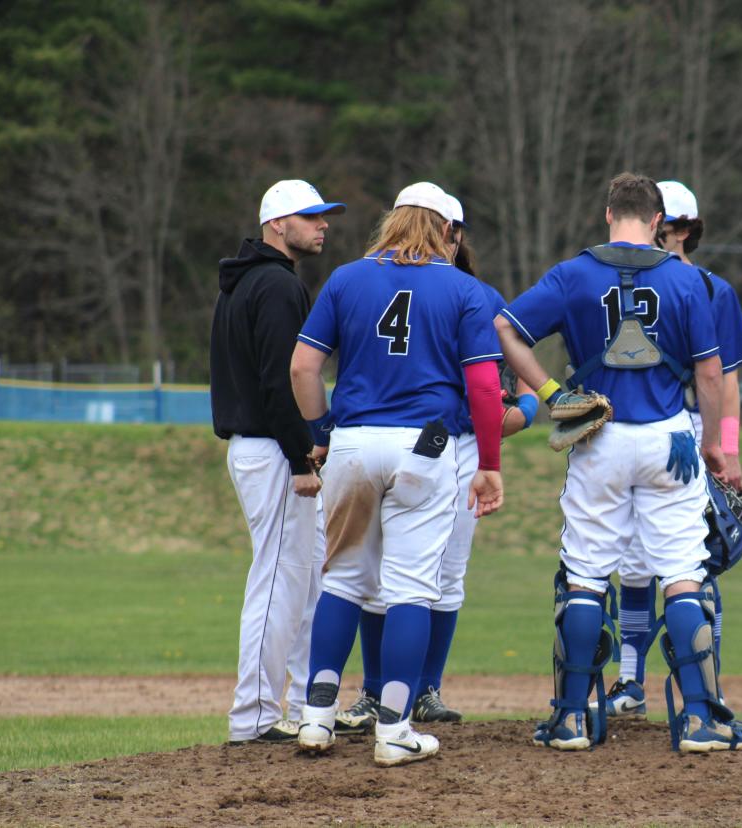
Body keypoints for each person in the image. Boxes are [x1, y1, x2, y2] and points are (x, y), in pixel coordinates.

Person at [495, 171, 742, 753]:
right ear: (658, 222)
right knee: (684, 572)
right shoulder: (687, 281)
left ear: (609, 215)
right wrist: (717, 443)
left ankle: (569, 720)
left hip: (597, 436)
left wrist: (552, 394)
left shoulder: (574, 273)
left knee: (586, 574)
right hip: (670, 438)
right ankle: (700, 721)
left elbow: (506, 332)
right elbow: (713, 373)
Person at [289, 181, 505, 767]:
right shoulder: (464, 289)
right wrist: (488, 463)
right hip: (425, 448)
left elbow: (304, 367)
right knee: (411, 588)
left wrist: (322, 434)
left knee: (342, 582)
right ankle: (394, 730)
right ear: (441, 229)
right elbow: (485, 387)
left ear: (393, 221)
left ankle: (315, 720)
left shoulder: (346, 278)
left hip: (354, 441)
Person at [332, 192, 537, 733]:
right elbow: (496, 403)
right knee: (423, 580)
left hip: (389, 446)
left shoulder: (363, 281)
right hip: (448, 449)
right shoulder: (473, 294)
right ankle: (386, 696)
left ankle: (412, 693)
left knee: (401, 579)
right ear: (453, 233)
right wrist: (539, 408)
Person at [602, 179, 742, 718]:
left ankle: (705, 686)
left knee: (695, 562)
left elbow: (727, 381)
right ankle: (629, 680)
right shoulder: (618, 280)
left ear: (683, 230)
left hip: (693, 432)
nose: (652, 234)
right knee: (633, 564)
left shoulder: (712, 289)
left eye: (662, 227)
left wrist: (728, 450)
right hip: (635, 430)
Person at [210, 179, 345, 745]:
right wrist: (301, 456)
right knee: (276, 583)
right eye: (310, 216)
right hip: (272, 451)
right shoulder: (274, 286)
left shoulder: (250, 283)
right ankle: (255, 717)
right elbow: (278, 380)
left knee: (305, 579)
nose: (323, 225)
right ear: (276, 224)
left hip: (263, 448)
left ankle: (308, 704)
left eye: (323, 217)